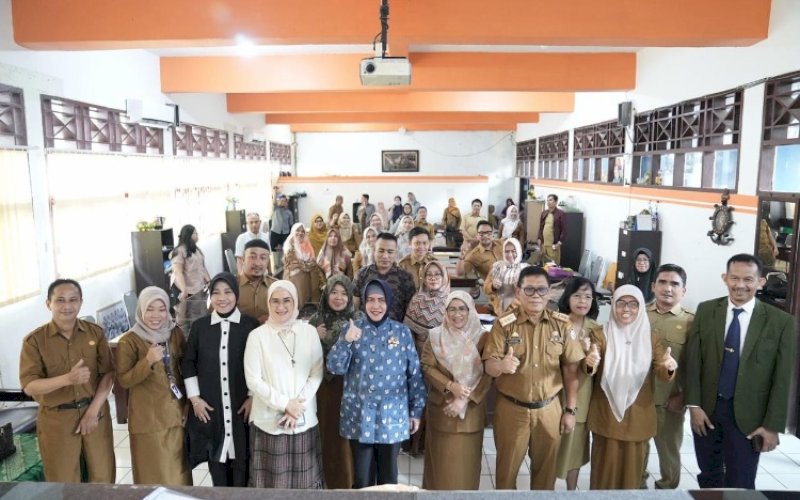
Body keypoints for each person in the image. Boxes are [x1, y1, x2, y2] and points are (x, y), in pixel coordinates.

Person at [685, 254, 796, 489]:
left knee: (741, 483)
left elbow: (782, 379)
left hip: (749, 417)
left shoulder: (780, 322)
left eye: (748, 279)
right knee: (709, 476)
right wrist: (694, 406)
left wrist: (772, 426)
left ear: (760, 282)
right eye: (734, 278)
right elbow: (694, 362)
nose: (740, 285)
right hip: (707, 412)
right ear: (725, 278)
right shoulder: (706, 310)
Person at [483, 266, 583, 490]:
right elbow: (489, 366)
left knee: (546, 476)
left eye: (541, 290)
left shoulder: (562, 324)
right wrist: (501, 365)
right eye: (529, 290)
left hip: (549, 410)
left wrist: (570, 411)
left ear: (549, 292)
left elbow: (571, 372)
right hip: (512, 410)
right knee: (506, 474)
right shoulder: (504, 324)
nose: (536, 295)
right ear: (518, 291)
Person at [327, 279, 427, 487]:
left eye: (381, 300)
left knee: (389, 478)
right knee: (362, 479)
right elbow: (334, 367)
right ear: (363, 302)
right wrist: (346, 341)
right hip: (359, 415)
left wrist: (416, 411)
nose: (376, 305)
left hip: (392, 417)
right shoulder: (351, 329)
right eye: (370, 300)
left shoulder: (401, 332)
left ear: (388, 302)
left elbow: (414, 374)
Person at [19, 279, 116, 483]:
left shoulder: (95, 332)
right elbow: (29, 386)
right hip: (57, 420)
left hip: (95, 414)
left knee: (103, 477)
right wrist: (67, 379)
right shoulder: (34, 341)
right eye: (60, 300)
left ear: (81, 302)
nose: (67, 306)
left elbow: (108, 374)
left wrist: (93, 411)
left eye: (73, 300)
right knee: (64, 482)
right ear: (49, 304)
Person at [584, 285, 676, 490]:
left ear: (641, 307)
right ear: (613, 305)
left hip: (637, 415)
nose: (627, 309)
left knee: (631, 474)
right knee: (603, 471)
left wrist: (668, 367)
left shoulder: (651, 338)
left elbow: (661, 370)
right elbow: (592, 362)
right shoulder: (600, 334)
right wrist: (590, 362)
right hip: (606, 414)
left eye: (633, 304)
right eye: (621, 303)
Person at [244, 280, 325, 489]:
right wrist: (285, 404)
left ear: (295, 301)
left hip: (303, 419)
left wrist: (297, 407)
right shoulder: (257, 336)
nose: (281, 307)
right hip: (269, 423)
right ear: (268, 303)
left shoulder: (309, 332)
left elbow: (316, 373)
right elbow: (253, 380)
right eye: (275, 301)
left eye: (287, 300)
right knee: (272, 485)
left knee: (305, 484)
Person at [183, 272, 260, 486]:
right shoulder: (200, 327)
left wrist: (253, 397)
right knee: (217, 468)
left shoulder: (250, 326)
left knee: (243, 467)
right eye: (216, 293)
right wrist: (195, 399)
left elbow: (260, 363)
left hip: (241, 408)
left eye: (227, 292)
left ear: (236, 294)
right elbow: (188, 362)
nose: (222, 298)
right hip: (211, 410)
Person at [116, 286, 191, 485]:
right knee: (153, 475)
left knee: (179, 475)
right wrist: (147, 361)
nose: (156, 315)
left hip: (176, 415)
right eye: (150, 309)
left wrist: (188, 405)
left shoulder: (174, 333)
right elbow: (124, 380)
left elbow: (187, 369)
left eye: (161, 309)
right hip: (148, 420)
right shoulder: (129, 341)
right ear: (141, 310)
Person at [420, 291, 491, 490]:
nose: (456, 314)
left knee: (466, 470)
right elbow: (427, 366)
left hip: (471, 414)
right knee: (439, 470)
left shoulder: (483, 337)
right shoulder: (435, 336)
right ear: (445, 311)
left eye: (462, 309)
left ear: (470, 310)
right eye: (451, 309)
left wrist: (465, 398)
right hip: (442, 412)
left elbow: (488, 374)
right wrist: (451, 386)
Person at [641, 264, 694, 489]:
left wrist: (684, 396)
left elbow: (696, 366)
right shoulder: (639, 314)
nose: (668, 288)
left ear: (684, 290)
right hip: (639, 399)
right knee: (638, 447)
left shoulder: (692, 322)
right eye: (662, 282)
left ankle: (667, 489)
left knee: (669, 450)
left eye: (674, 284)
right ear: (653, 286)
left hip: (670, 400)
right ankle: (638, 486)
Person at [308, 275, 364, 489]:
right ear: (326, 294)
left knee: (350, 436)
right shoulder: (316, 320)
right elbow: (305, 355)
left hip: (351, 386)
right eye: (334, 292)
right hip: (324, 387)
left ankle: (350, 481)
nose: (339, 298)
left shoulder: (358, 318)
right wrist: (312, 336)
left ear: (350, 296)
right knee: (328, 434)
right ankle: (327, 481)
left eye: (343, 293)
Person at [554, 277, 600, 490]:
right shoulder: (556, 322)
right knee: (552, 447)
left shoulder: (596, 329)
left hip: (582, 395)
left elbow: (597, 367)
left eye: (588, 297)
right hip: (554, 393)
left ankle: (571, 492)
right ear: (568, 298)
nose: (583, 301)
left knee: (575, 448)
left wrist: (589, 355)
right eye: (578, 295)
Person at [353, 233, 416, 322]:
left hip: (395, 328)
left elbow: (409, 309)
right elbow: (354, 306)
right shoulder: (362, 274)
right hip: (365, 327)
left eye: (390, 252)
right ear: (374, 251)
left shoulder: (405, 277)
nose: (385, 256)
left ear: (396, 253)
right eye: (381, 251)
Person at [171, 224, 210, 336]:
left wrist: (209, 281)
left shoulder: (196, 249)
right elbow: (178, 272)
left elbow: (202, 267)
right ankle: (185, 343)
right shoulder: (179, 251)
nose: (197, 235)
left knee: (199, 316)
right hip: (186, 290)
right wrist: (184, 290)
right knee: (184, 320)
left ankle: (198, 340)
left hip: (198, 287)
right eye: (195, 233)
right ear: (189, 235)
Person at [404, 261, 451, 355]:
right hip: (418, 352)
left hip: (443, 354)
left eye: (437, 274)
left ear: (444, 277)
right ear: (424, 279)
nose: (433, 278)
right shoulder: (416, 299)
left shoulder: (451, 301)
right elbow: (407, 331)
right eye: (429, 275)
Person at [484, 237, 529, 315]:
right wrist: (493, 286)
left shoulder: (525, 269)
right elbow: (485, 288)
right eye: (507, 251)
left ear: (519, 251)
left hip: (518, 310)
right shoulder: (497, 266)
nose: (510, 255)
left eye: (513, 251)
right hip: (497, 308)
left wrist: (519, 288)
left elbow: (531, 293)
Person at [283, 223, 322, 307]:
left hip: (306, 272)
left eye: (302, 231)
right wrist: (305, 264)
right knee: (298, 276)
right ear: (293, 231)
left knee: (314, 273)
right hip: (294, 274)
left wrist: (302, 264)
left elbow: (312, 262)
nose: (300, 233)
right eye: (298, 230)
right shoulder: (289, 245)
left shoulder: (307, 243)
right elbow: (292, 264)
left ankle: (309, 303)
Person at [238, 239, 277, 324]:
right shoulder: (230, 286)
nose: (258, 263)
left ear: (268, 262)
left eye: (263, 258)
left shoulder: (276, 286)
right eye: (252, 257)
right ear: (243, 259)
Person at [537, 194, 566, 265]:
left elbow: (564, 230)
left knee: (553, 266)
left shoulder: (561, 213)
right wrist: (539, 238)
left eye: (550, 200)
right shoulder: (544, 213)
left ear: (556, 202)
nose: (548, 202)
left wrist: (559, 243)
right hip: (544, 244)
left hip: (553, 245)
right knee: (544, 265)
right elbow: (541, 227)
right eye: (547, 200)